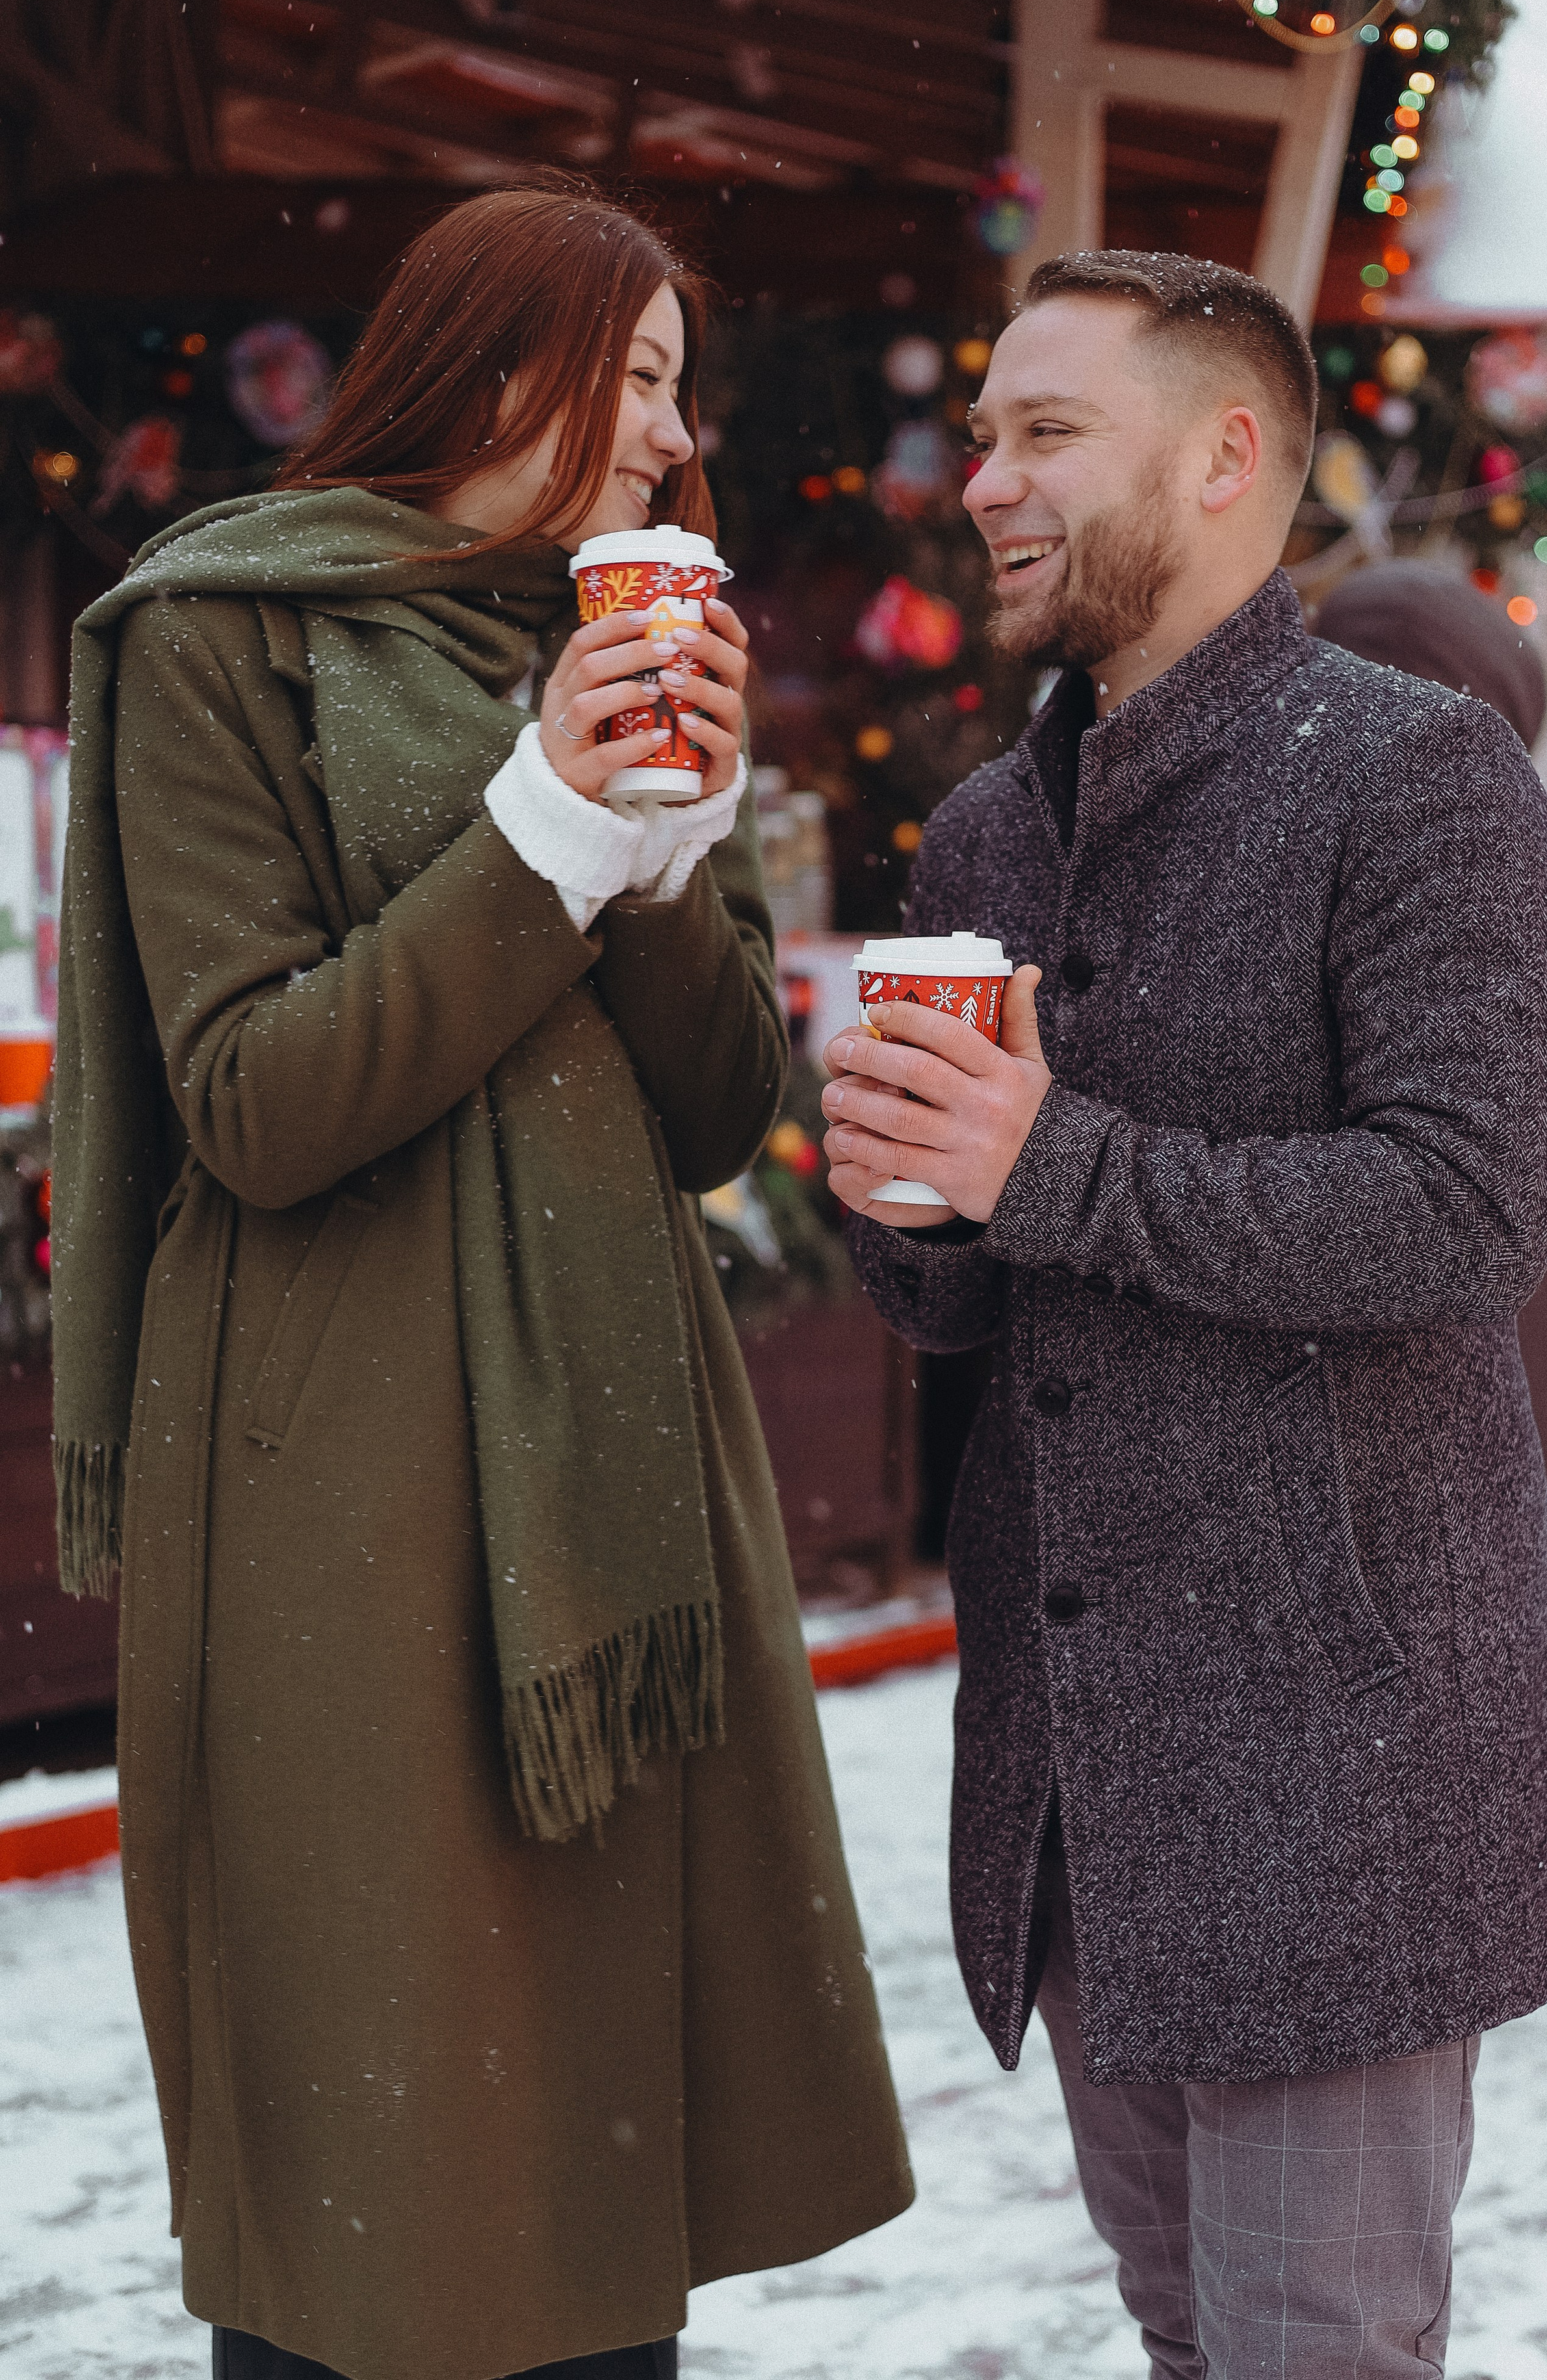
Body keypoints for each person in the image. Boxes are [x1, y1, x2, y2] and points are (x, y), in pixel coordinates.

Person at [51, 177, 911, 2380]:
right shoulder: (216, 637)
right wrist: (543, 824)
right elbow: (252, 1097)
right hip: (346, 1491)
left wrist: (674, 856)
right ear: (500, 360)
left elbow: (718, 1120)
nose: (663, 432)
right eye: (632, 378)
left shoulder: (599, 644)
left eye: (675, 391)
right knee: (392, 2143)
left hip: (609, 1475)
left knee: (590, 2162)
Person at [823, 252, 1547, 2379]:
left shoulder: (1418, 778)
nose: (983, 480)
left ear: (1228, 455)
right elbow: (963, 1307)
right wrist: (899, 1190)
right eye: (982, 432)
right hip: (1079, 1785)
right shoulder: (986, 824)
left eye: (1043, 432)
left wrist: (1041, 1159)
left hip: (1339, 1755)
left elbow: (1458, 1212)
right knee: (1194, 2345)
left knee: (1315, 2354)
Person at [1316, 563, 1547, 1643]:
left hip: (1295, 1481)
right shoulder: (1533, 877)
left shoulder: (1251, 864)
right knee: (1497, 1809)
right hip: (1506, 1468)